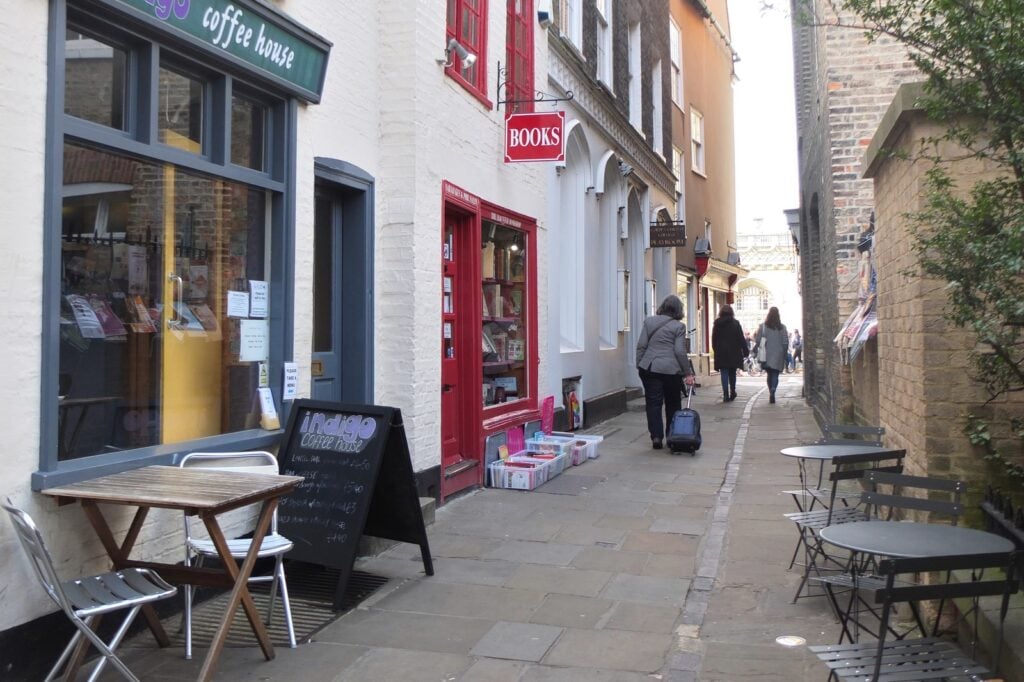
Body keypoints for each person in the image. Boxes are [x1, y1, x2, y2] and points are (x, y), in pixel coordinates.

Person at [636, 295, 696, 449]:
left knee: (653, 404)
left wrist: (640, 364)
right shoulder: (678, 327)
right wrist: (688, 373)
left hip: (650, 368)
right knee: (673, 403)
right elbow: (679, 351)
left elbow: (641, 345)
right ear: (678, 310)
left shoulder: (649, 322)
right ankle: (671, 435)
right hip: (671, 371)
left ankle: (656, 436)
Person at [711, 304, 747, 402]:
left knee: (724, 373)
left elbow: (714, 339)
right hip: (733, 352)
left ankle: (725, 394)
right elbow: (741, 338)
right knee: (732, 373)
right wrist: (745, 350)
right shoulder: (735, 323)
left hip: (721, 352)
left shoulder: (717, 323)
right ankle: (733, 391)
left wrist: (716, 350)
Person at [754, 306, 789, 404]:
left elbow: (757, 340)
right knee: (775, 374)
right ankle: (773, 389)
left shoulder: (763, 326)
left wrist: (758, 347)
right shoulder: (782, 327)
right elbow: (785, 341)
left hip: (766, 354)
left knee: (769, 374)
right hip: (778, 353)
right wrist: (784, 352)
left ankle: (771, 391)